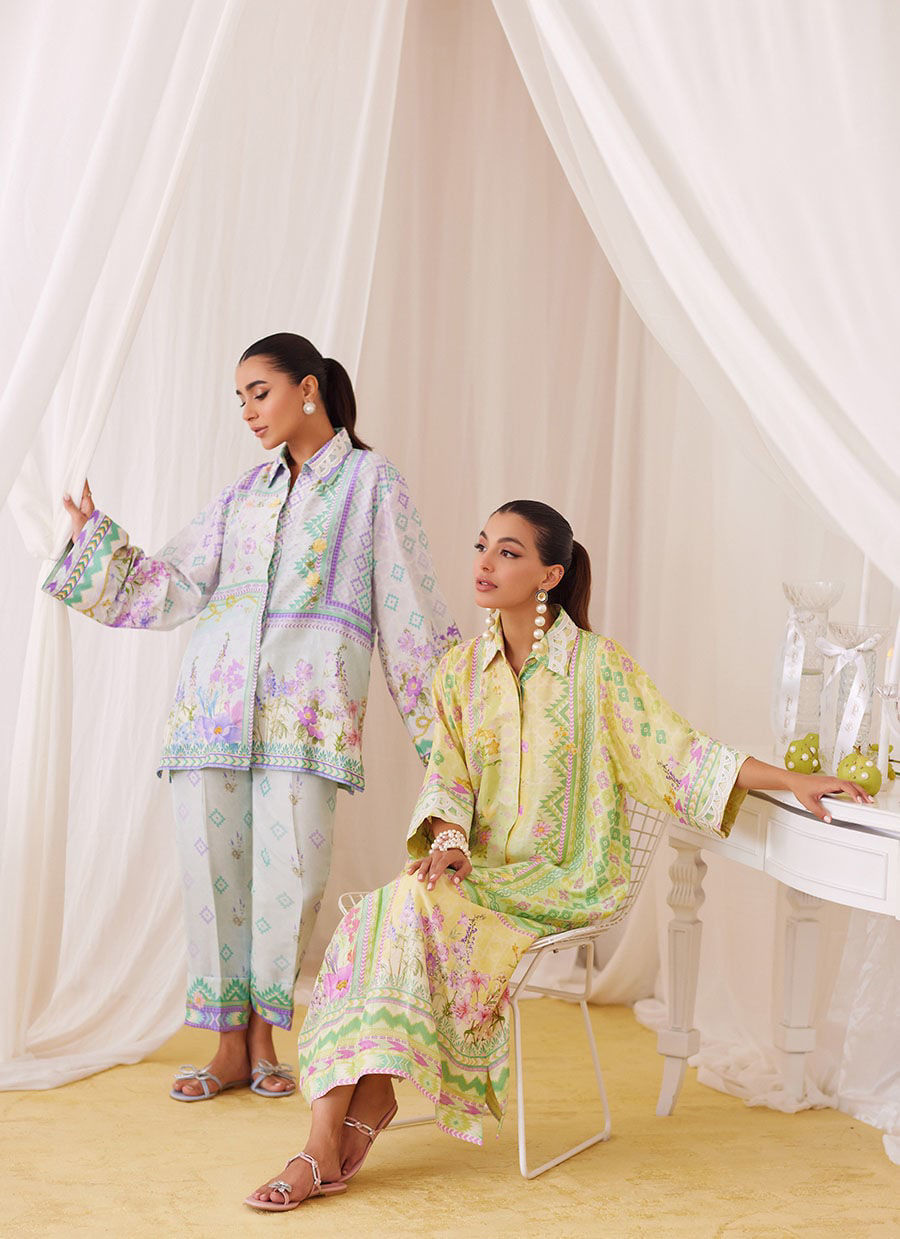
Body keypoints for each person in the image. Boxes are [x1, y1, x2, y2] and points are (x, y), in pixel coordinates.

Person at [244, 498, 873, 1210]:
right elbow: (447, 781)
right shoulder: (459, 673)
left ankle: (334, 1132)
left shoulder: (599, 669)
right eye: (483, 545)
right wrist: (448, 843)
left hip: (571, 878)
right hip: (481, 874)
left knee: (401, 906)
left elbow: (680, 754)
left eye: (508, 552)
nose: (485, 562)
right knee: (387, 909)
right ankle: (344, 1116)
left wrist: (791, 779)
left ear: (550, 574)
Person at [43, 333, 459, 1101]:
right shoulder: (247, 493)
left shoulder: (371, 483)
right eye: (239, 398)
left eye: (258, 392)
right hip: (211, 710)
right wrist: (93, 539)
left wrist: (455, 742)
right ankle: (228, 1046)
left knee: (290, 882)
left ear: (308, 388)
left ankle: (265, 1038)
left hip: (307, 718)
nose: (247, 411)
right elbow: (173, 584)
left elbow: (410, 616)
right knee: (212, 879)